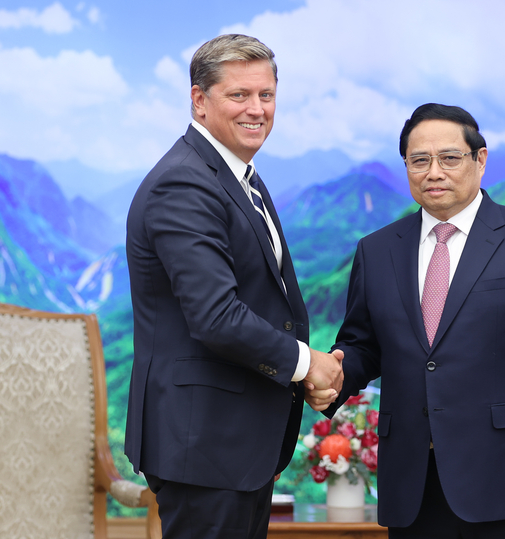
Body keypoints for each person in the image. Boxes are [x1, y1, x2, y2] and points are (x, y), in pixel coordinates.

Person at [307, 103, 505, 538]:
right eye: (419, 160)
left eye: (449, 158)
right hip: (413, 488)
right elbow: (364, 346)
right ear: (406, 167)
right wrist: (326, 375)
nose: (433, 171)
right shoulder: (377, 251)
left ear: (480, 160)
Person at [125, 34, 342, 539]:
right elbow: (216, 316)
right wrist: (308, 364)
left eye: (266, 95)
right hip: (203, 443)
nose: (257, 109)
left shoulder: (240, 176)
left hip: (235, 442)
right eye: (239, 95)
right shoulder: (185, 182)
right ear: (199, 100)